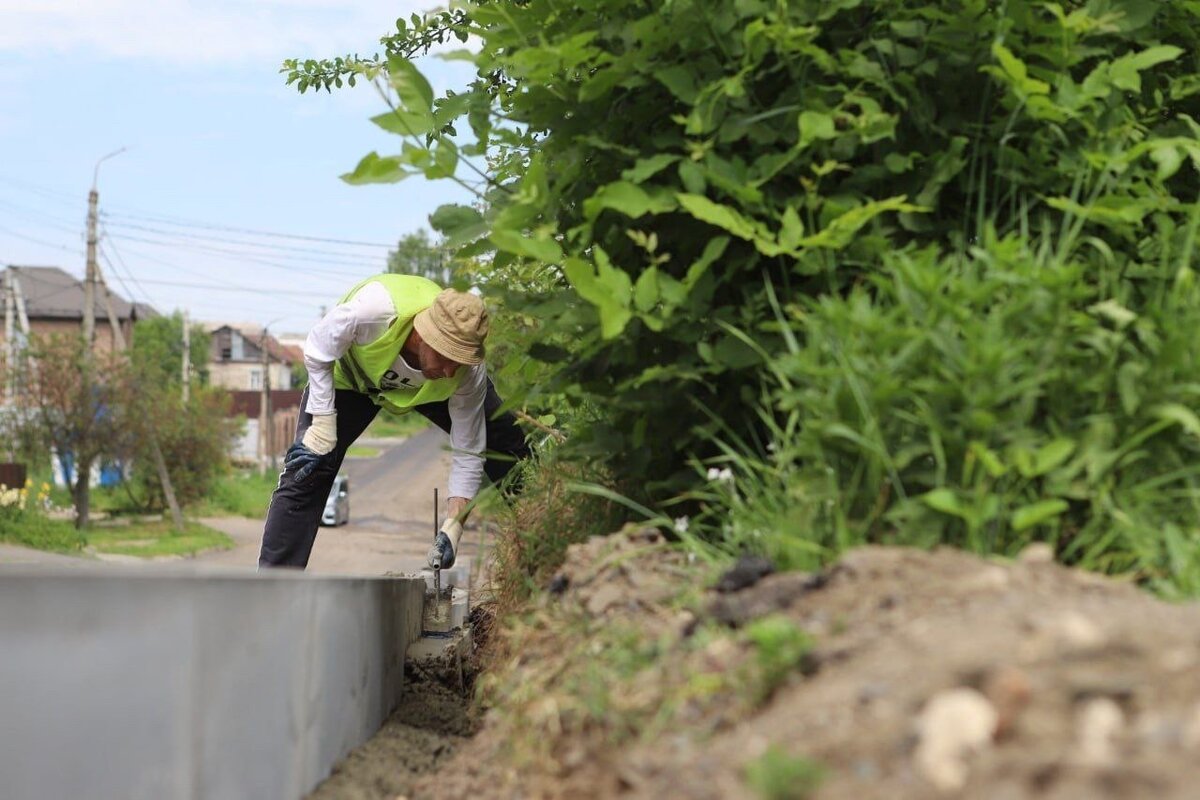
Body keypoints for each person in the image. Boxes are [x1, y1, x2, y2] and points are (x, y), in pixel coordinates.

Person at [258, 273, 530, 571]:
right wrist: (323, 425)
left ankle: (542, 547)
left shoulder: (465, 374)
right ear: (423, 334)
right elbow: (318, 347)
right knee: (307, 469)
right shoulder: (373, 311)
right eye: (447, 357)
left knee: (507, 443)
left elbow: (469, 451)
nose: (452, 371)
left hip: (426, 390)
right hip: (351, 380)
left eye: (461, 361)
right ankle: (274, 588)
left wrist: (454, 526)